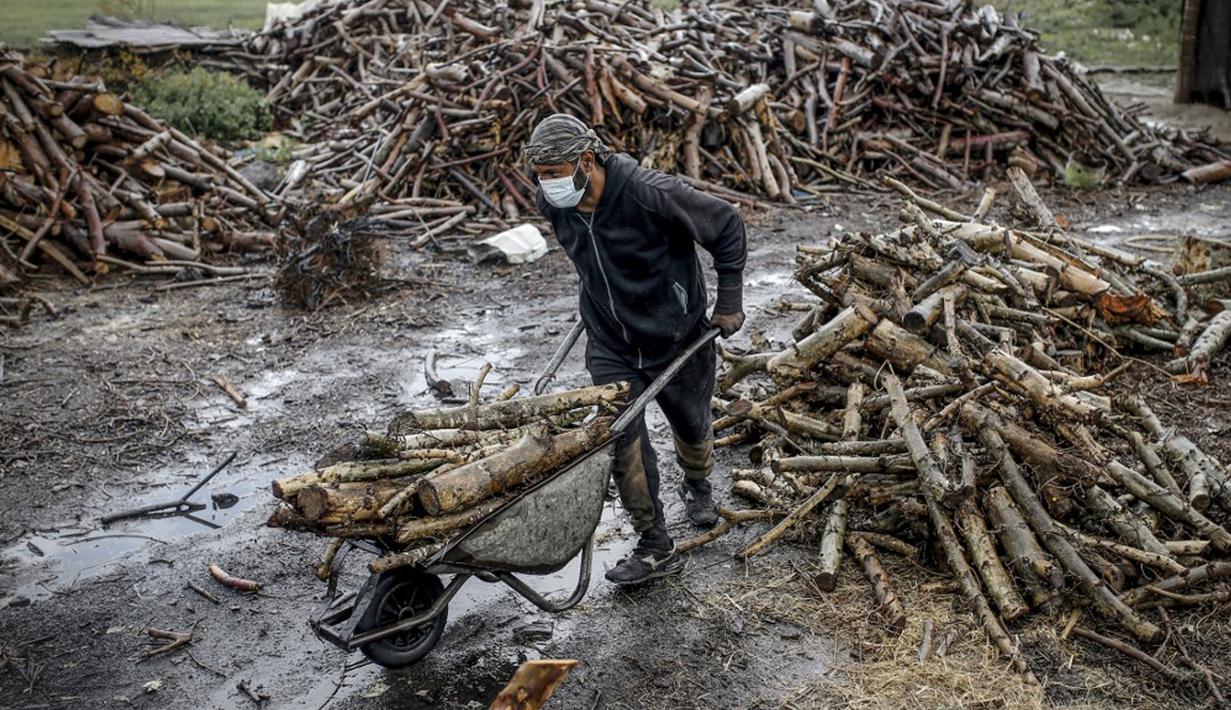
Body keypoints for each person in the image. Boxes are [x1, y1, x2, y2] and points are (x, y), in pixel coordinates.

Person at [521, 114, 747, 585]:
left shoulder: (649, 193)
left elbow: (726, 224)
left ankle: (697, 481)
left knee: (693, 426)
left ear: (587, 161)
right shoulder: (554, 203)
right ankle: (654, 542)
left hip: (677, 334)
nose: (546, 186)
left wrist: (728, 302)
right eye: (540, 175)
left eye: (554, 173)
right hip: (611, 341)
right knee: (622, 438)